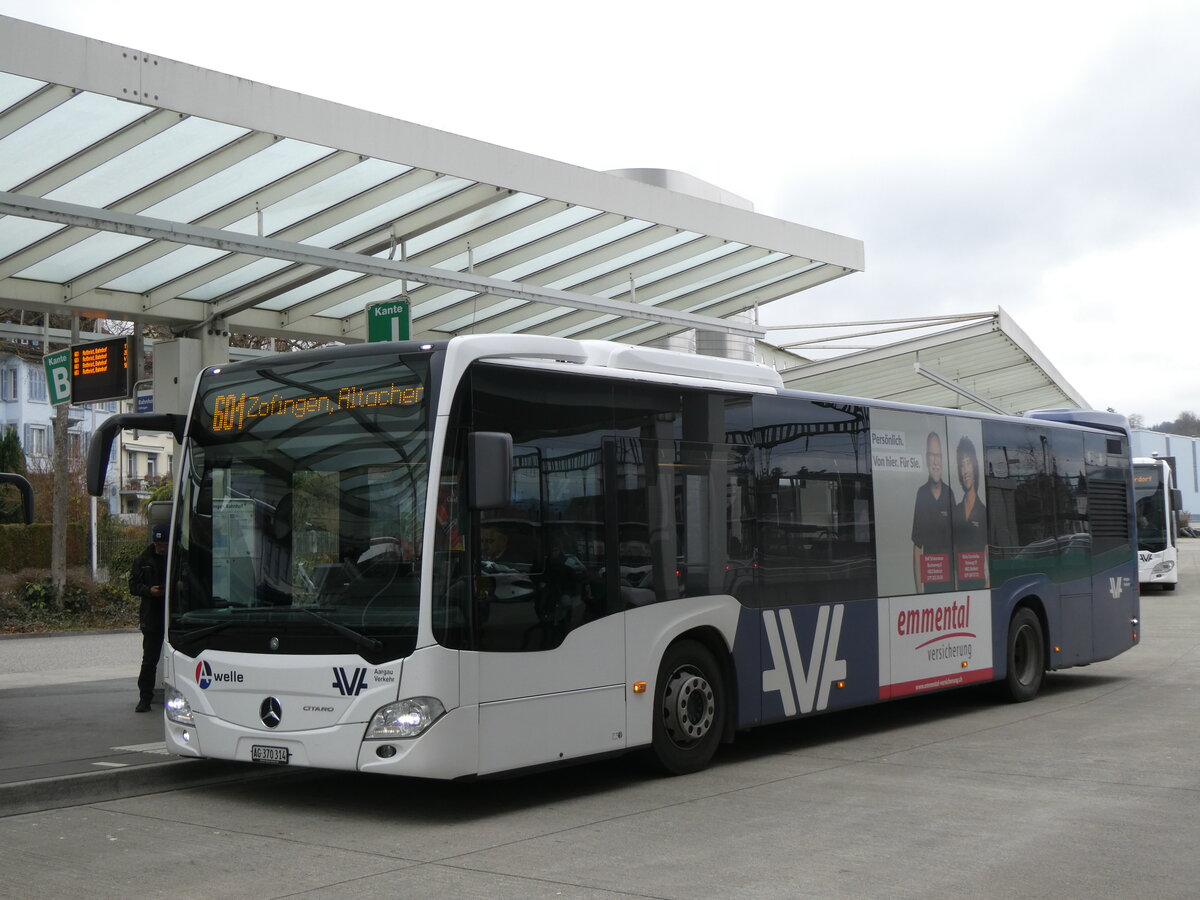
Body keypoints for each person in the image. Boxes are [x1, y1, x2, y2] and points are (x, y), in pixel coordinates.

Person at [129, 522, 167, 713]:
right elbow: (133, 586)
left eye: (165, 544)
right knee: (149, 660)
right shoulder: (142, 559)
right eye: (159, 545)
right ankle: (145, 698)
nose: (162, 548)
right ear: (154, 543)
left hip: (173, 616)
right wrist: (149, 591)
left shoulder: (178, 557)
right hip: (151, 615)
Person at [911, 431, 955, 593]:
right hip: (929, 584)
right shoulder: (921, 494)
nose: (936, 461)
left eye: (939, 456)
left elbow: (957, 544)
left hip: (949, 585)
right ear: (926, 459)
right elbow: (917, 548)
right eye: (932, 455)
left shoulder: (949, 494)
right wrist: (919, 593)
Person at [952, 435, 987, 588]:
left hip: (981, 589)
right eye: (961, 465)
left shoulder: (984, 511)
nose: (965, 470)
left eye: (968, 463)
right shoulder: (956, 510)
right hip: (959, 591)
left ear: (975, 467)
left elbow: (988, 556)